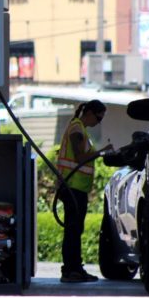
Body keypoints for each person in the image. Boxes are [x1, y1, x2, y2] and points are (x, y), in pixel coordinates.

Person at [56, 99, 112, 283]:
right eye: (99, 117)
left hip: (76, 187)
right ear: (89, 113)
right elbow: (80, 156)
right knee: (73, 230)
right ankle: (71, 270)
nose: (99, 122)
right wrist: (101, 152)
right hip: (72, 186)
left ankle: (75, 269)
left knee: (75, 229)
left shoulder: (81, 130)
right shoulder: (76, 129)